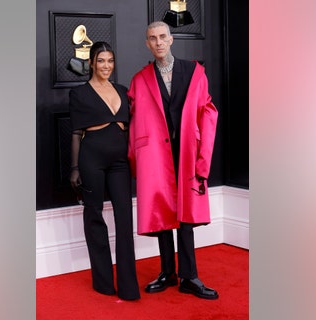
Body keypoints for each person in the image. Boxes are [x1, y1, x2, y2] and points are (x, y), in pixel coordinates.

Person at [127, 21, 219, 300]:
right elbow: (133, 121)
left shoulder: (194, 72)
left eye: (162, 37)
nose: (158, 42)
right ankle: (167, 272)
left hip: (187, 151)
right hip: (156, 153)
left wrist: (203, 158)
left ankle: (189, 276)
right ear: (147, 43)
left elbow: (207, 113)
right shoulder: (140, 79)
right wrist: (136, 160)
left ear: (171, 39)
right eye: (152, 38)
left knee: (186, 214)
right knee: (162, 212)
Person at [68, 41, 140, 301]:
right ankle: (103, 282)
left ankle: (128, 285)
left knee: (124, 217)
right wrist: (74, 168)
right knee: (94, 214)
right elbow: (76, 133)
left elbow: (133, 126)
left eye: (110, 61)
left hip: (120, 160)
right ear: (91, 63)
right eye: (101, 61)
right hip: (91, 158)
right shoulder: (79, 93)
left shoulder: (122, 90)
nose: (106, 66)